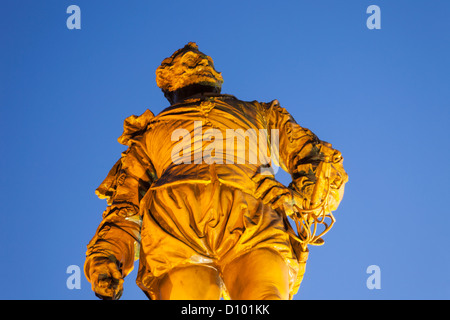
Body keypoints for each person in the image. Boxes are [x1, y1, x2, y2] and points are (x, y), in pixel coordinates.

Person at [84, 42, 348, 300]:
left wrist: (303, 196)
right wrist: (108, 255)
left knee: (264, 296)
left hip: (250, 217)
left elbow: (314, 155)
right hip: (176, 228)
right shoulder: (149, 136)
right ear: (168, 83)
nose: (197, 60)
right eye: (187, 62)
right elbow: (126, 205)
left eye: (201, 60)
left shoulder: (262, 115)